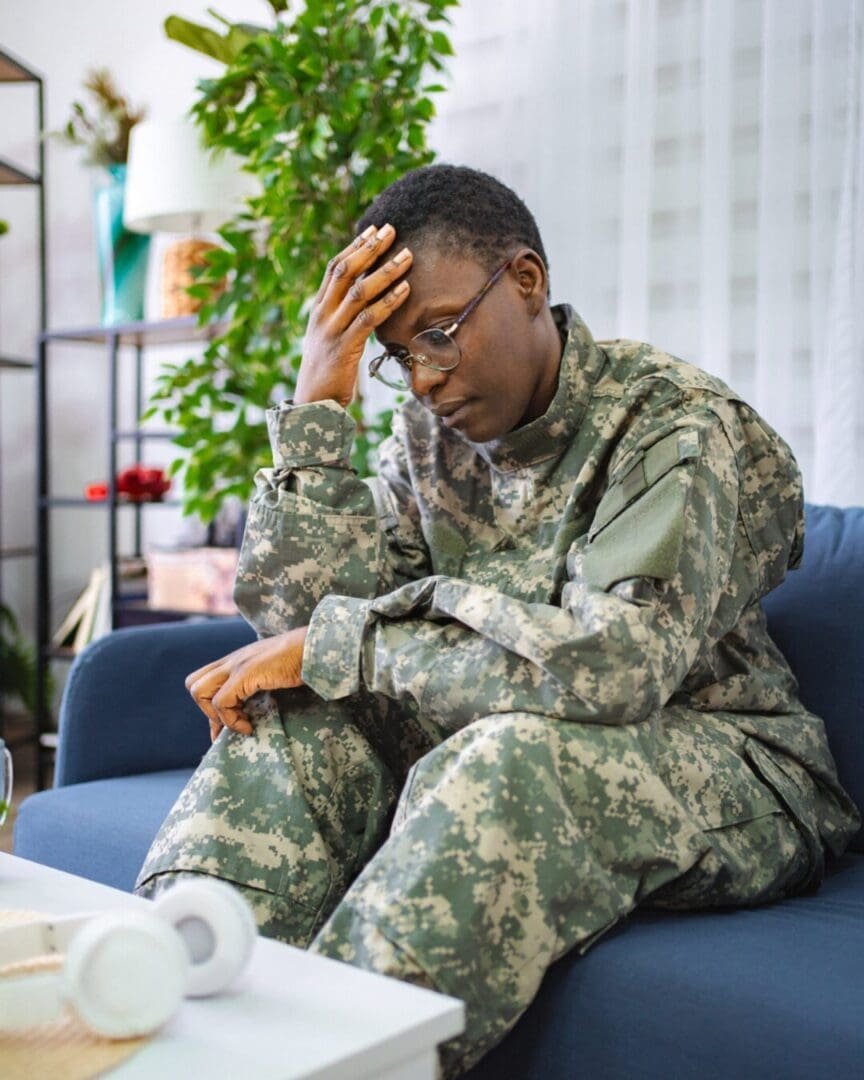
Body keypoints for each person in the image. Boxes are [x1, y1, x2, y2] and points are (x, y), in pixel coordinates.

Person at [136, 165, 860, 1078]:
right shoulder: (430, 439)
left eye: (439, 334)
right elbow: (303, 630)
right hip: (497, 734)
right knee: (292, 718)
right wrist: (318, 409)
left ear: (526, 280)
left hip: (730, 760)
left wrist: (351, 642)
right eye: (399, 356)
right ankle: (164, 1031)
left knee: (509, 757)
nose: (424, 378)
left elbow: (617, 669)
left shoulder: (672, 422)